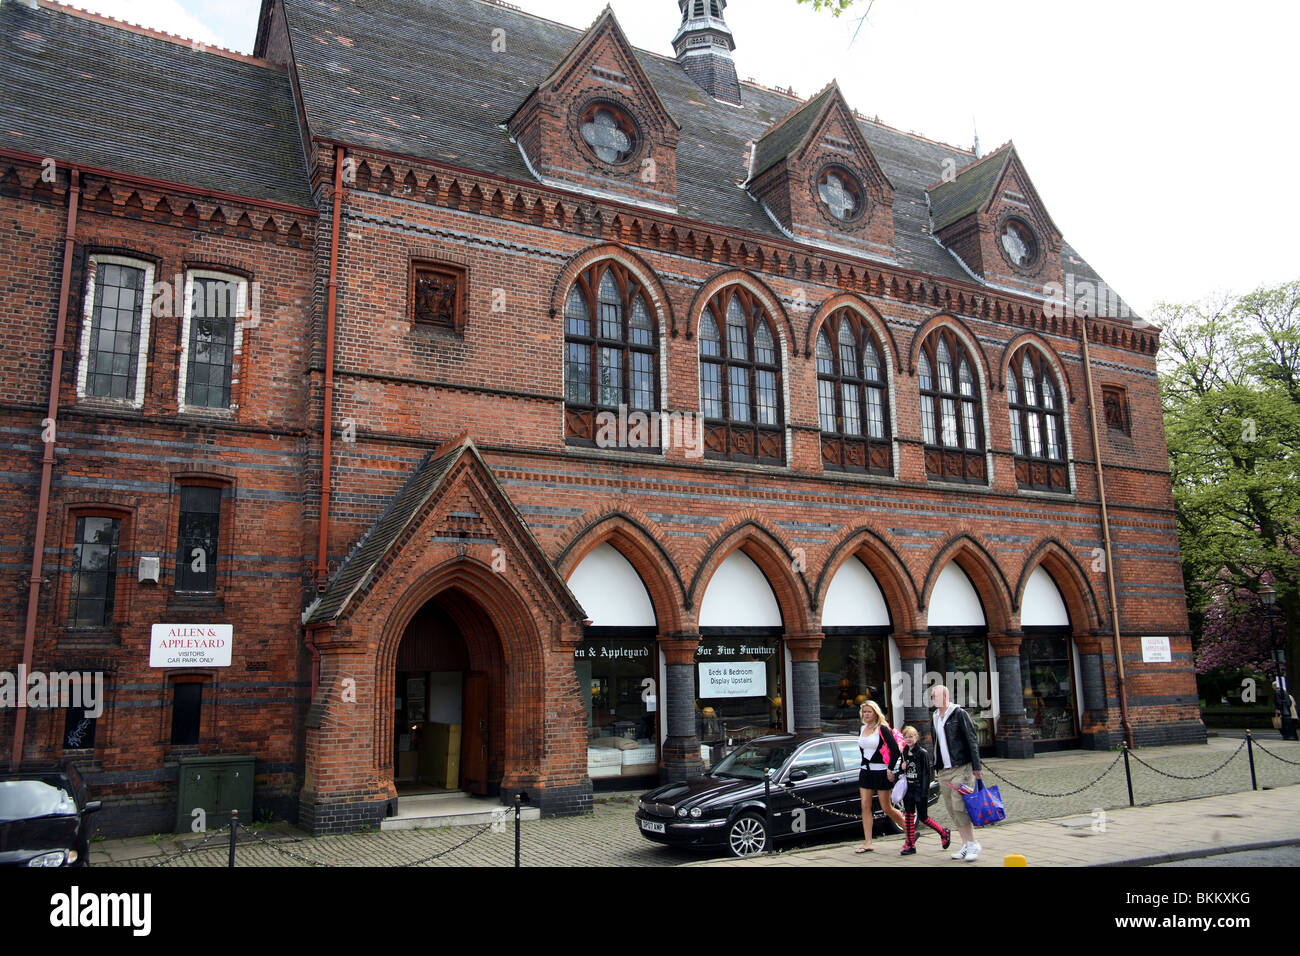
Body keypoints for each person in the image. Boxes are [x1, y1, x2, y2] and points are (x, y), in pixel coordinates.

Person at [929, 683, 982, 862]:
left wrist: (977, 766)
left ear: (945, 697)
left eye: (935, 696)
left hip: (961, 767)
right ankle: (966, 844)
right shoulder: (935, 716)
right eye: (931, 696)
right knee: (951, 807)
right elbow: (935, 743)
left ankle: (973, 843)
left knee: (960, 805)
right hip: (944, 770)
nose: (933, 699)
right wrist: (935, 765)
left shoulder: (959, 714)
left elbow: (971, 739)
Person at [854, 699, 905, 853]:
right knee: (865, 806)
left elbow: (895, 750)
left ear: (876, 713)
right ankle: (868, 842)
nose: (866, 714)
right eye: (864, 712)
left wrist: (890, 769)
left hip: (881, 771)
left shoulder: (882, 729)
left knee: (886, 807)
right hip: (865, 772)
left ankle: (909, 830)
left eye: (869, 711)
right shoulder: (862, 729)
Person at [896, 724, 950, 855]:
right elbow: (901, 773)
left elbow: (927, 774)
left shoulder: (922, 753)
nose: (909, 739)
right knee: (908, 816)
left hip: (920, 789)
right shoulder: (904, 752)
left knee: (924, 817)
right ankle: (911, 844)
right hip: (908, 788)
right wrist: (901, 768)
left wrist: (924, 792)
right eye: (906, 737)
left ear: (916, 737)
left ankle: (943, 832)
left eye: (911, 736)